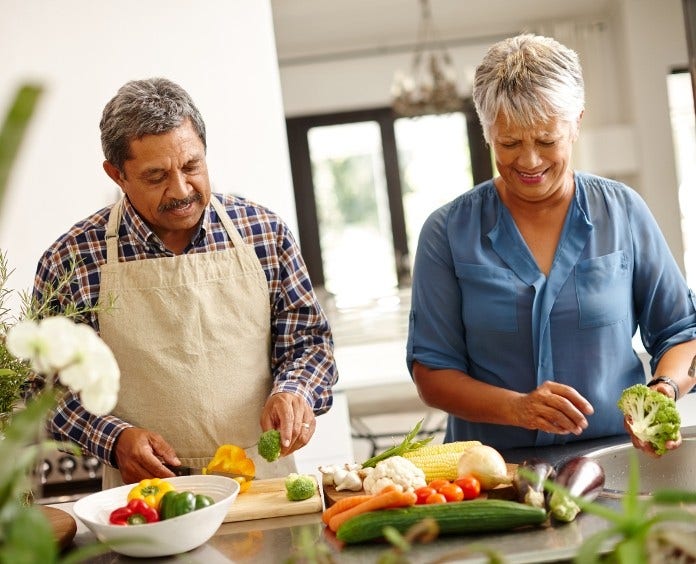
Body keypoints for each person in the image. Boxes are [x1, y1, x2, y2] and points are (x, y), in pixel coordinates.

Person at [31, 78, 338, 487]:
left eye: (192, 166)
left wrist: (295, 391)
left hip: (261, 480)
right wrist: (115, 439)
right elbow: (49, 390)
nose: (181, 190)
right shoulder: (69, 261)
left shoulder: (265, 233)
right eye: (156, 176)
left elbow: (309, 345)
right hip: (145, 493)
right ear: (117, 175)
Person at [406, 34, 696, 457]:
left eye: (546, 141)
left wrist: (663, 390)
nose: (529, 161)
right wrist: (517, 409)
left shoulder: (623, 211)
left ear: (576, 122)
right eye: (509, 143)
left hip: (612, 460)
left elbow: (683, 334)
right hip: (491, 473)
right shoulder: (447, 232)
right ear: (487, 133)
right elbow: (431, 373)